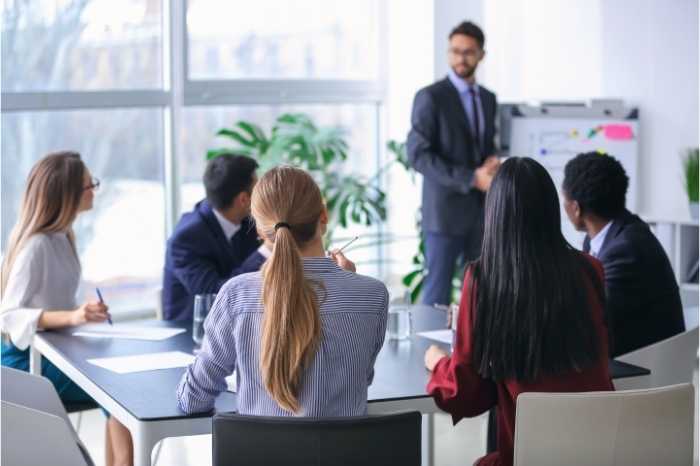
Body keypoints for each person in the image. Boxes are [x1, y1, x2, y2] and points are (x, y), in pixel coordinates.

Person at [424, 157, 613, 466]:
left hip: (531, 456)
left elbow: (467, 394)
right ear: (551, 209)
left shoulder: (483, 279)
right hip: (600, 449)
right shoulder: (590, 270)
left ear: (495, 212)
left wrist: (438, 363)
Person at [177, 165, 388, 416]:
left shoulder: (236, 295)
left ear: (259, 230)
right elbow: (361, 379)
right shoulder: (373, 294)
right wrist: (350, 286)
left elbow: (193, 400)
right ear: (323, 216)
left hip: (259, 455)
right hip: (347, 455)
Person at [0, 151, 134, 466]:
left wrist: (84, 316)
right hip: (22, 360)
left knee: (115, 388)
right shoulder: (37, 246)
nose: (94, 190)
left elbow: (52, 302)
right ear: (68, 194)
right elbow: (8, 315)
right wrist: (74, 316)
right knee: (116, 391)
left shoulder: (63, 236)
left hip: (50, 350)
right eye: (90, 185)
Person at [407, 20, 500, 307]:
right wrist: (472, 178)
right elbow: (418, 155)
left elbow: (483, 146)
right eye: (455, 51)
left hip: (482, 213)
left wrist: (492, 164)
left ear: (481, 55)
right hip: (444, 214)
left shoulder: (487, 98)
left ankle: (478, 350)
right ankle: (428, 352)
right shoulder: (431, 97)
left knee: (483, 290)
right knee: (437, 294)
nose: (461, 58)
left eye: (469, 52)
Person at [562, 152, 685, 356]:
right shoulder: (607, 235)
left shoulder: (626, 249)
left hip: (645, 369)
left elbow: (594, 318)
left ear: (575, 208)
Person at [162, 154, 269, 321]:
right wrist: (266, 250)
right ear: (243, 199)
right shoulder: (186, 239)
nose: (263, 198)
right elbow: (215, 295)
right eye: (258, 191)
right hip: (193, 335)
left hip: (238, 328)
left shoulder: (247, 223)